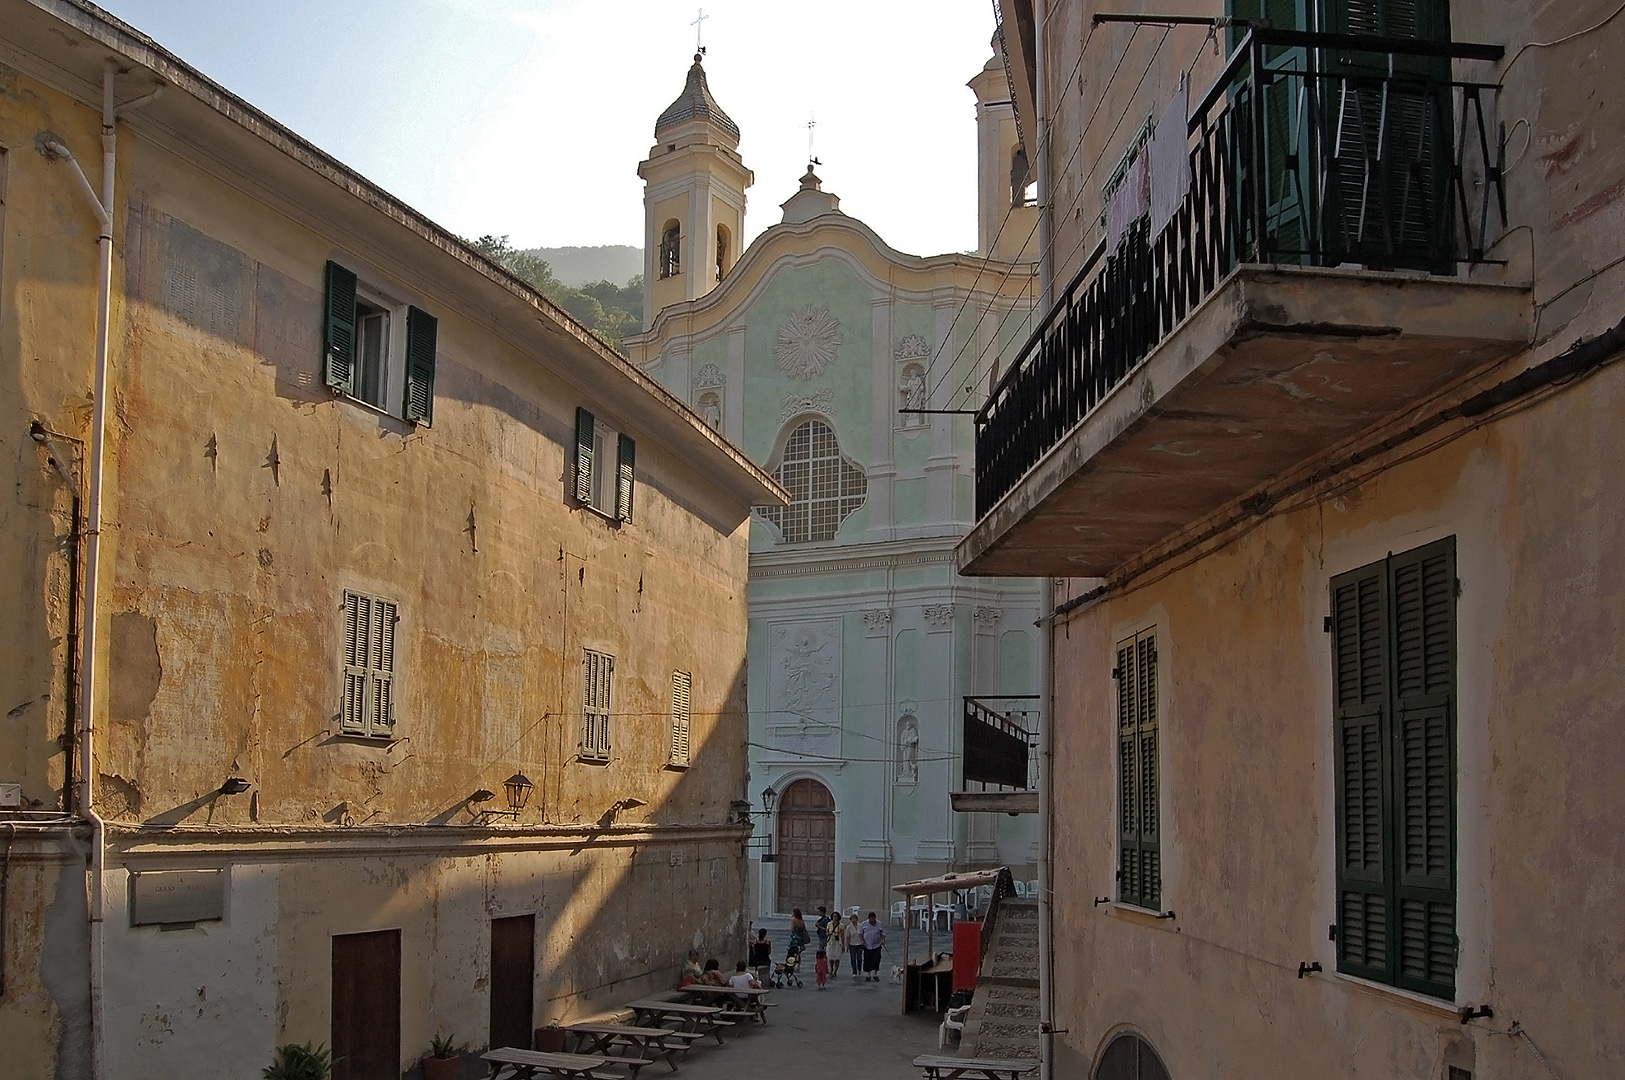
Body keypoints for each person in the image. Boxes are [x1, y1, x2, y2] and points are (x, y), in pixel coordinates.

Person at [859, 911, 887, 981]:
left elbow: (883, 933)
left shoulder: (879, 924)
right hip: (867, 945)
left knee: (876, 959)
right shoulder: (864, 924)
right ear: (869, 919)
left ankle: (875, 974)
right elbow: (860, 934)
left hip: (876, 945)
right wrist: (862, 941)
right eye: (871, 919)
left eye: (873, 919)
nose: (872, 920)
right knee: (867, 960)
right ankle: (868, 975)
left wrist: (883, 940)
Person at [827, 914, 846, 978]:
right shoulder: (829, 924)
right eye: (833, 916)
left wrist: (843, 945)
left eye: (836, 916)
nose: (834, 918)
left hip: (838, 942)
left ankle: (835, 971)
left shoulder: (841, 925)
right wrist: (828, 934)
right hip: (831, 942)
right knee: (830, 957)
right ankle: (831, 969)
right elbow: (826, 932)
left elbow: (843, 936)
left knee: (837, 958)